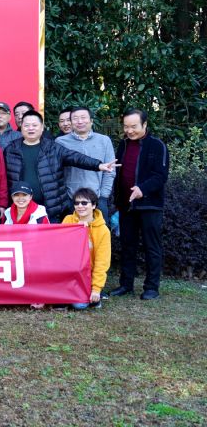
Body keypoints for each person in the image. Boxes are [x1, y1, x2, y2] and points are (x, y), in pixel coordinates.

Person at [4, 111, 117, 223]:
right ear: (21, 127)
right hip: (20, 207)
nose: (30, 128)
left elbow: (75, 157)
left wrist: (98, 165)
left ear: (42, 127)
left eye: (34, 125)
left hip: (51, 208)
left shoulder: (53, 147)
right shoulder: (10, 150)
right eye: (27, 125)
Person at [109, 108, 169, 300]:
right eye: (126, 126)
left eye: (134, 126)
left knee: (152, 246)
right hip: (126, 205)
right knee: (127, 245)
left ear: (144, 124)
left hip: (149, 205)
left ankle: (151, 287)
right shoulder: (123, 144)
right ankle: (126, 284)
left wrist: (142, 189)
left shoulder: (157, 146)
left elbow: (161, 176)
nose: (129, 131)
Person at [56, 106, 116, 220]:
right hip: (71, 199)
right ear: (71, 122)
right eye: (75, 118)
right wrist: (64, 196)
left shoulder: (104, 140)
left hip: (97, 198)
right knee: (71, 231)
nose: (79, 121)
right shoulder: (61, 142)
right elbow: (57, 172)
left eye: (83, 117)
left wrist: (103, 196)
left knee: (98, 230)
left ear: (91, 121)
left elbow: (110, 171)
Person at [62, 187, 111, 309]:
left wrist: (96, 289)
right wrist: (76, 231)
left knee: (79, 305)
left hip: (87, 276)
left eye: (84, 203)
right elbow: (61, 249)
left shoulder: (103, 230)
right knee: (58, 301)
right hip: (68, 273)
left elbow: (102, 262)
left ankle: (93, 297)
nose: (80, 206)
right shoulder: (68, 220)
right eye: (76, 203)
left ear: (93, 205)